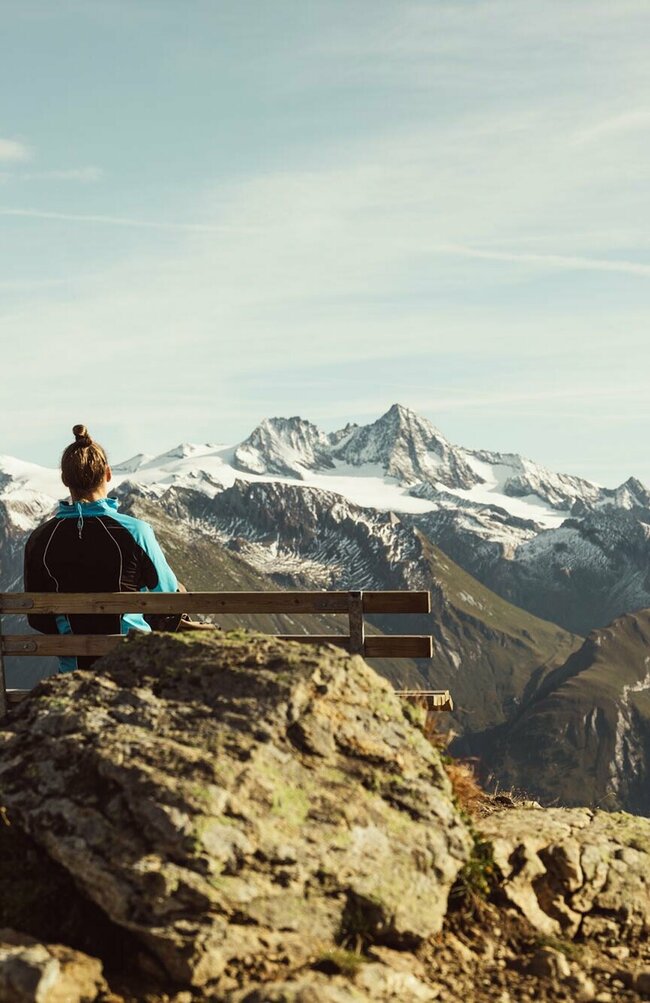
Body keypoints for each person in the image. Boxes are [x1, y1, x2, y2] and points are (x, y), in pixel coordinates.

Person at [23, 424, 192, 672]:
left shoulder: (40, 539)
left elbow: (37, 617)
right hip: (133, 666)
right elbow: (168, 601)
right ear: (108, 474)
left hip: (73, 672)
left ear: (64, 479)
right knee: (179, 590)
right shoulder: (136, 531)